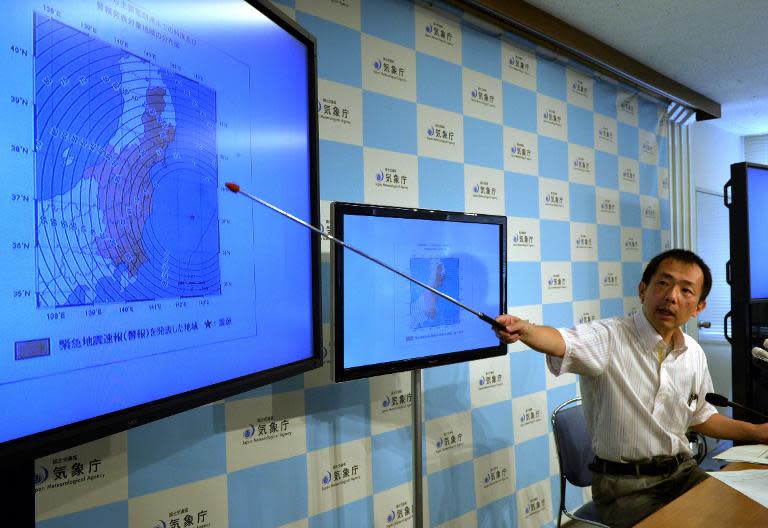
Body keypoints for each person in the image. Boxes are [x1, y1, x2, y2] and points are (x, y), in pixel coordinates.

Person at [494, 249, 768, 527]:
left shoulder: (693, 352)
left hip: (682, 473)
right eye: (663, 283)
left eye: (686, 290)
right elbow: (561, 341)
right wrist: (525, 329)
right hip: (625, 487)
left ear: (698, 306)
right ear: (642, 290)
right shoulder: (610, 337)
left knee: (743, 513)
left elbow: (701, 417)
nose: (671, 296)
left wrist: (757, 432)